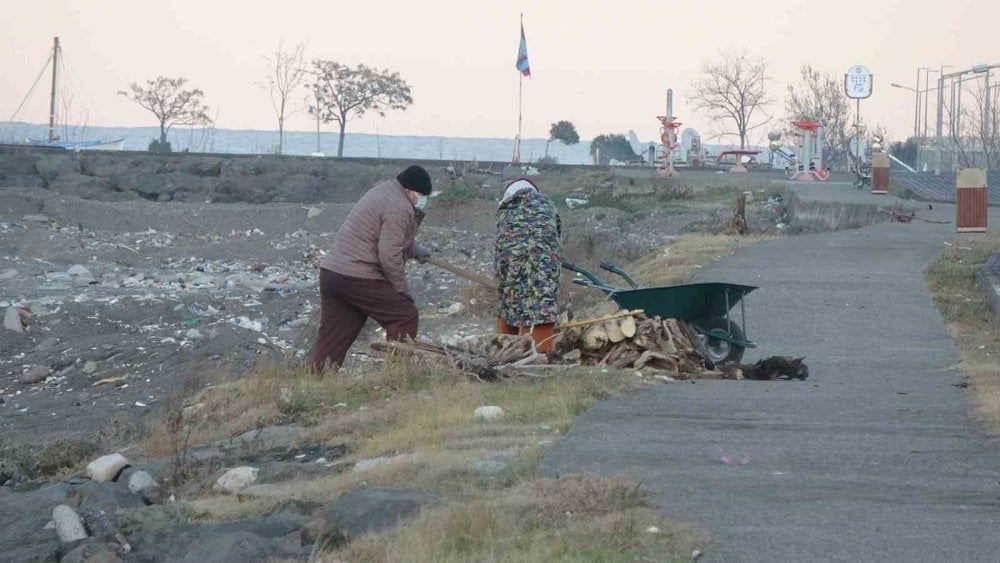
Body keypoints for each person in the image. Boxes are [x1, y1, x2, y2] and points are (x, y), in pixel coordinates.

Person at [313, 165, 432, 372]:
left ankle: (313, 380)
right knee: (404, 315)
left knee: (335, 335)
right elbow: (388, 254)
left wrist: (415, 249)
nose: (422, 201)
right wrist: (401, 290)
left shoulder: (382, 192)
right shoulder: (400, 207)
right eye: (421, 196)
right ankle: (397, 376)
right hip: (357, 275)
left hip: (332, 274)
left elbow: (387, 234)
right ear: (409, 190)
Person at [494, 178, 562, 353]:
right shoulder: (548, 206)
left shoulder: (506, 209)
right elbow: (557, 238)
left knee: (509, 306)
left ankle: (506, 352)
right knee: (541, 309)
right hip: (544, 274)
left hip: (513, 273)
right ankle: (543, 355)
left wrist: (501, 279)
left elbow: (500, 247)